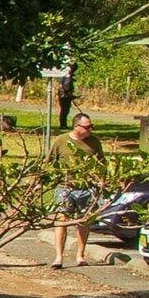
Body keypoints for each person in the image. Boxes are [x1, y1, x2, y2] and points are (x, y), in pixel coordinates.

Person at [49, 110, 108, 267]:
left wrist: (102, 180)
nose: (90, 130)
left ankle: (80, 255)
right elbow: (49, 162)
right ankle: (58, 257)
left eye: (91, 127)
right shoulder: (61, 141)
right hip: (65, 187)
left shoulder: (94, 142)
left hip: (87, 187)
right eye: (87, 127)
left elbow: (102, 163)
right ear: (76, 126)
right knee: (62, 220)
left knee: (84, 221)